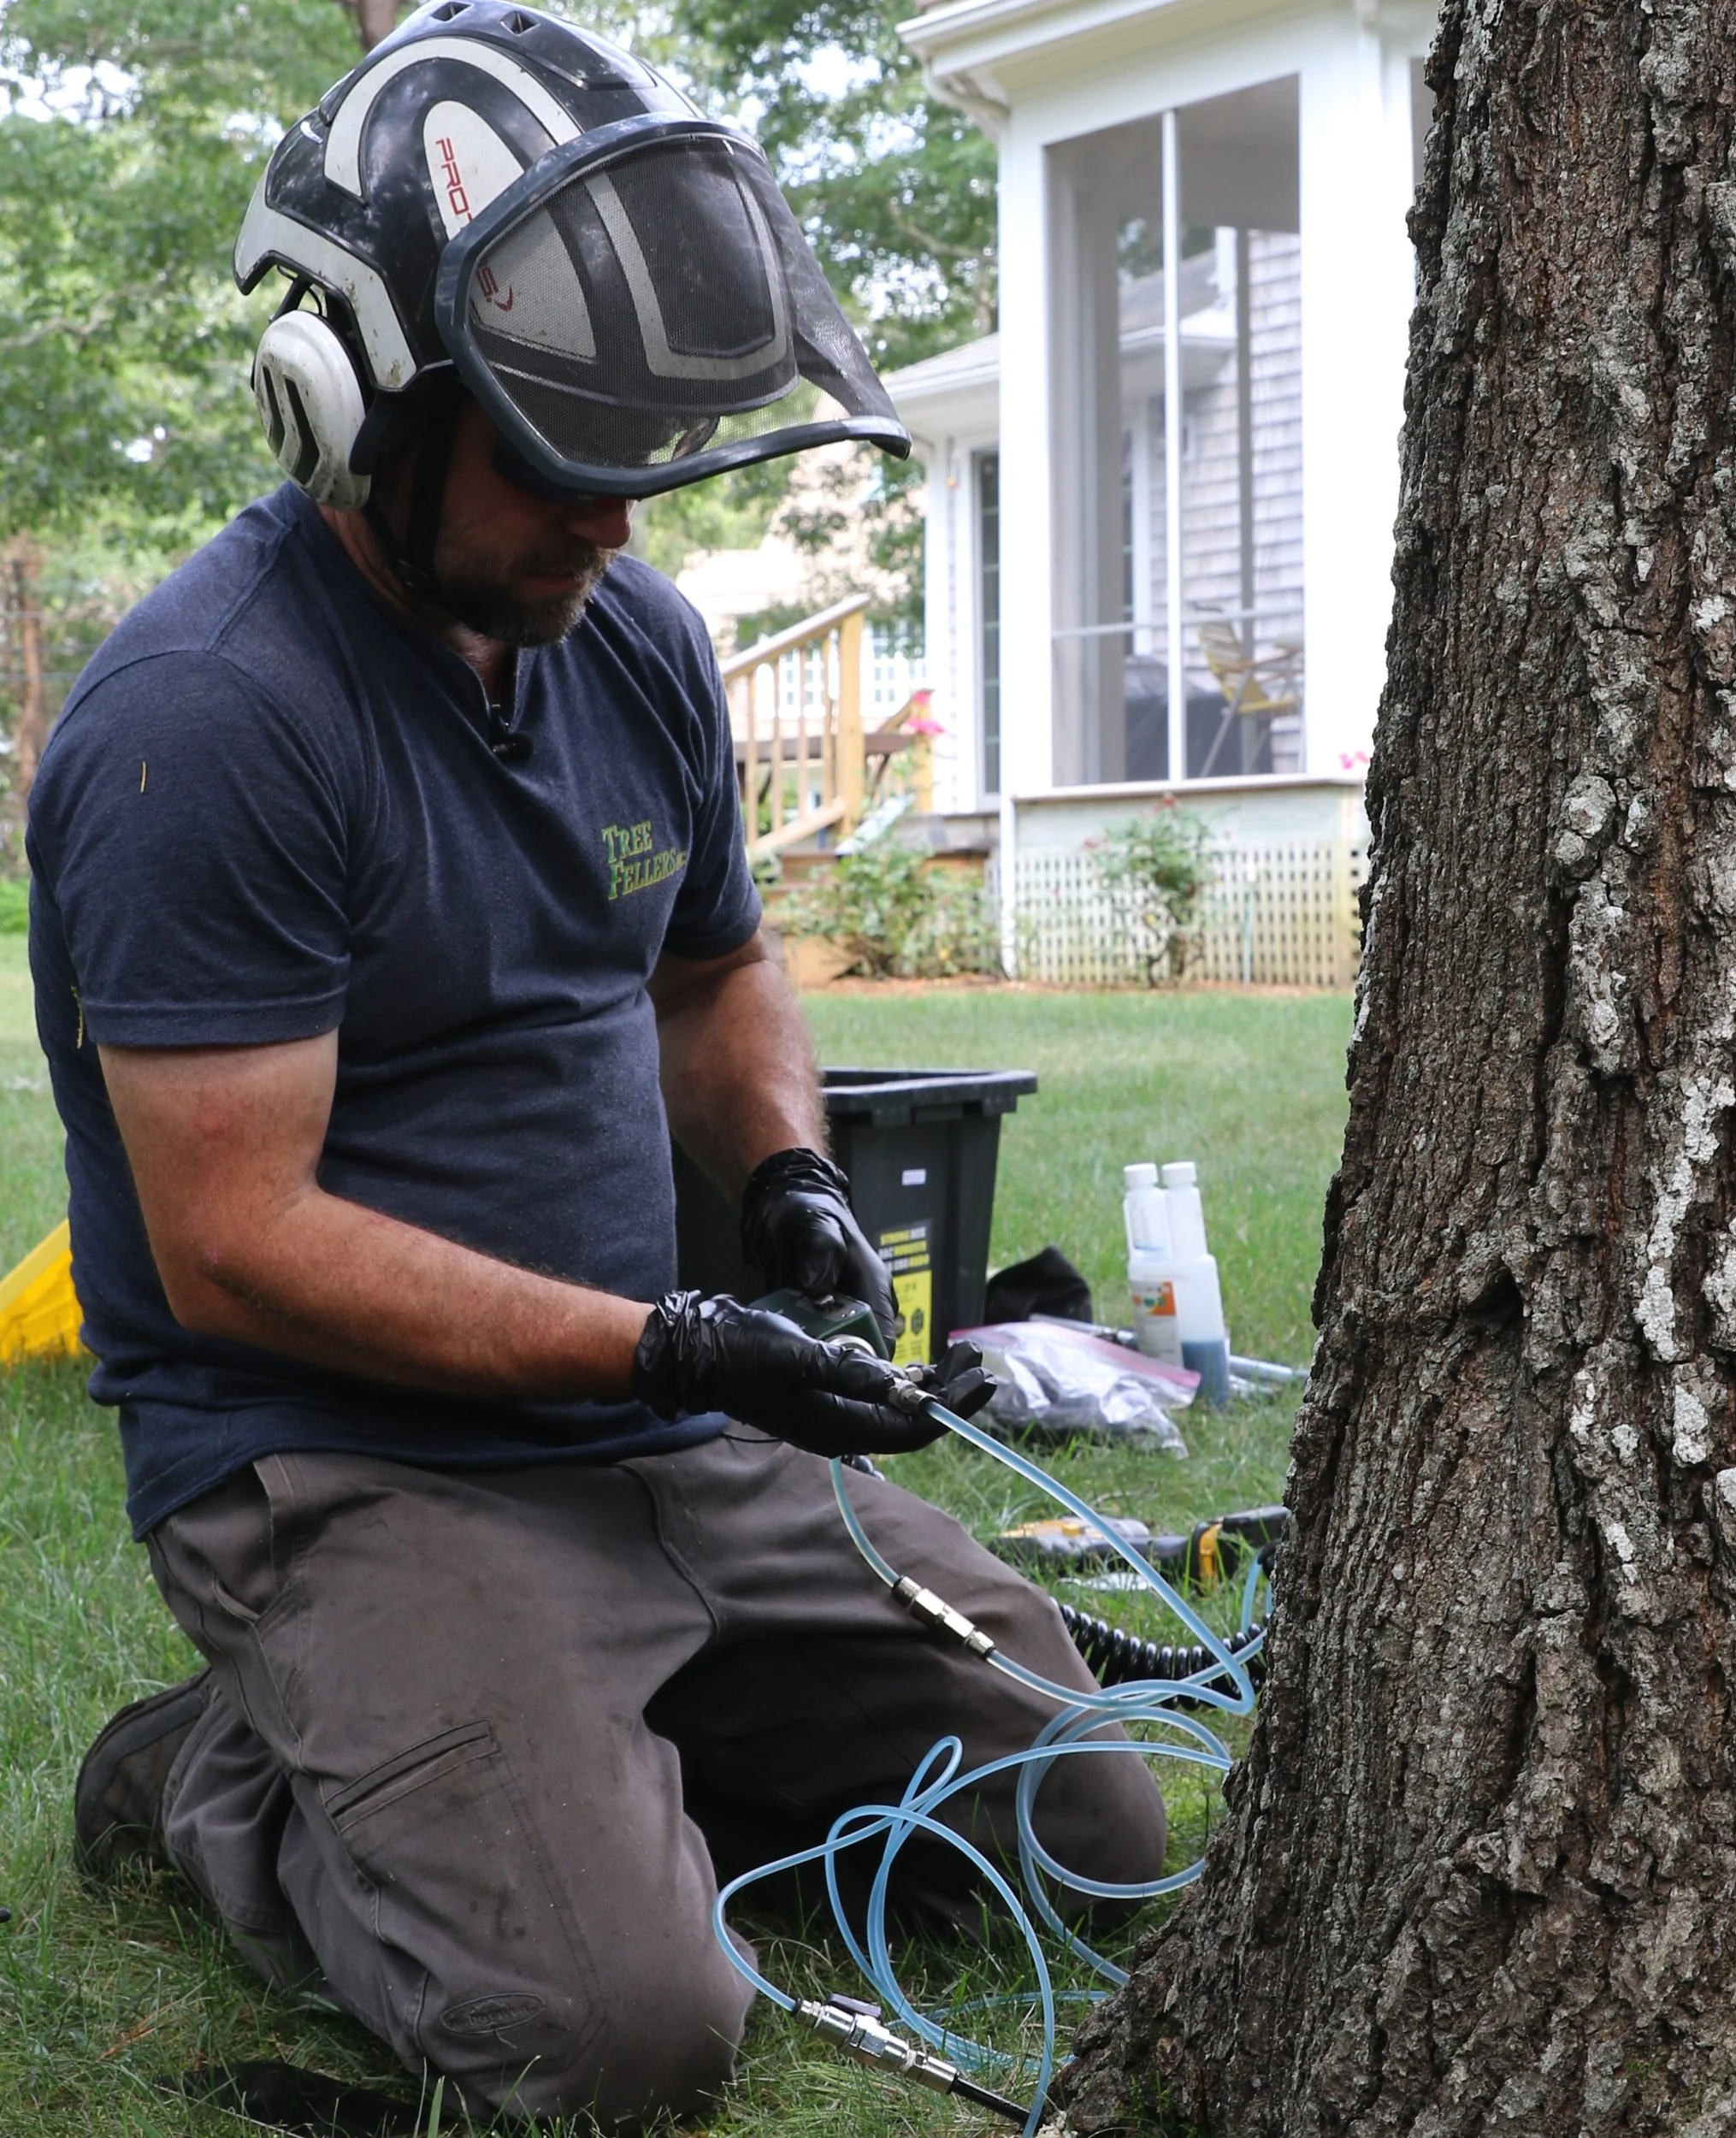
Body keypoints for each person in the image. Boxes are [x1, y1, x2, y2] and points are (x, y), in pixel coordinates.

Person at [30, 4, 1165, 2122]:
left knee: (1093, 1825)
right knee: (619, 2037)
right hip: (354, 1469)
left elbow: (715, 976)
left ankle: (572, 1758)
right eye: (567, 466)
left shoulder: (618, 637)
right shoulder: (209, 725)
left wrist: (792, 1181)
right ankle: (221, 1785)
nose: (621, 528)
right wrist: (659, 1343)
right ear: (357, 406)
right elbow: (235, 1246)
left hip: (659, 1420)